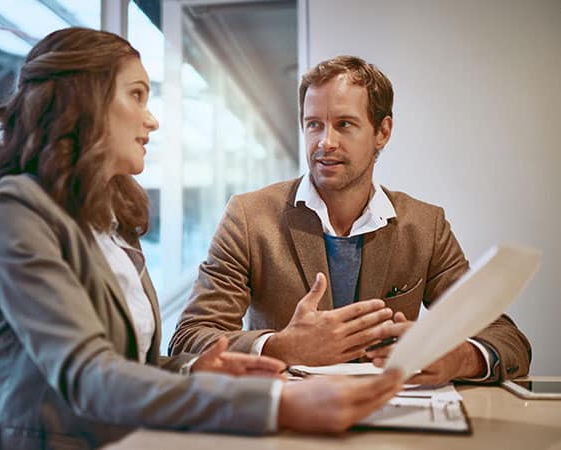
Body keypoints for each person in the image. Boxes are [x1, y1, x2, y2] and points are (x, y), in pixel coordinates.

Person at [0, 30, 403, 449]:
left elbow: (131, 368)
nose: (151, 120)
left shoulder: (108, 221)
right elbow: (89, 376)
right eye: (136, 95)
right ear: (83, 100)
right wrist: (276, 402)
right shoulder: (16, 210)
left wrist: (197, 367)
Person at [169, 55, 531, 385]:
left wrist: (460, 357)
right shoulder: (249, 217)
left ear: (383, 132)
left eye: (344, 124)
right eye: (314, 125)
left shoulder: (426, 226)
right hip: (288, 416)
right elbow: (189, 338)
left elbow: (506, 338)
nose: (325, 142)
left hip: (394, 413)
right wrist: (281, 347)